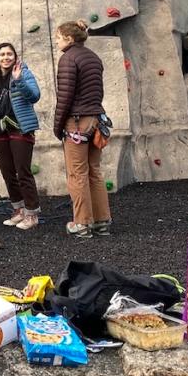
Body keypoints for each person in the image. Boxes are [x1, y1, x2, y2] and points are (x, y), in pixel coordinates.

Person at [53, 20, 112, 239]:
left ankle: (82, 223)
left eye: (58, 37)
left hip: (76, 122)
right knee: (94, 172)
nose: (56, 41)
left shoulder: (68, 59)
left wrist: (58, 126)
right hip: (96, 119)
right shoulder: (93, 57)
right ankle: (102, 221)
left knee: (77, 173)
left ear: (69, 38)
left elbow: (65, 97)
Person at [0, 42, 42, 229]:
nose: (6, 57)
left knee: (23, 171)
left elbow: (35, 96)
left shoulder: (23, 72)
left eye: (9, 54)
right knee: (8, 172)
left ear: (15, 57)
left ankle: (32, 214)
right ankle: (18, 210)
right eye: (2, 54)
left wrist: (19, 79)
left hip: (20, 127)